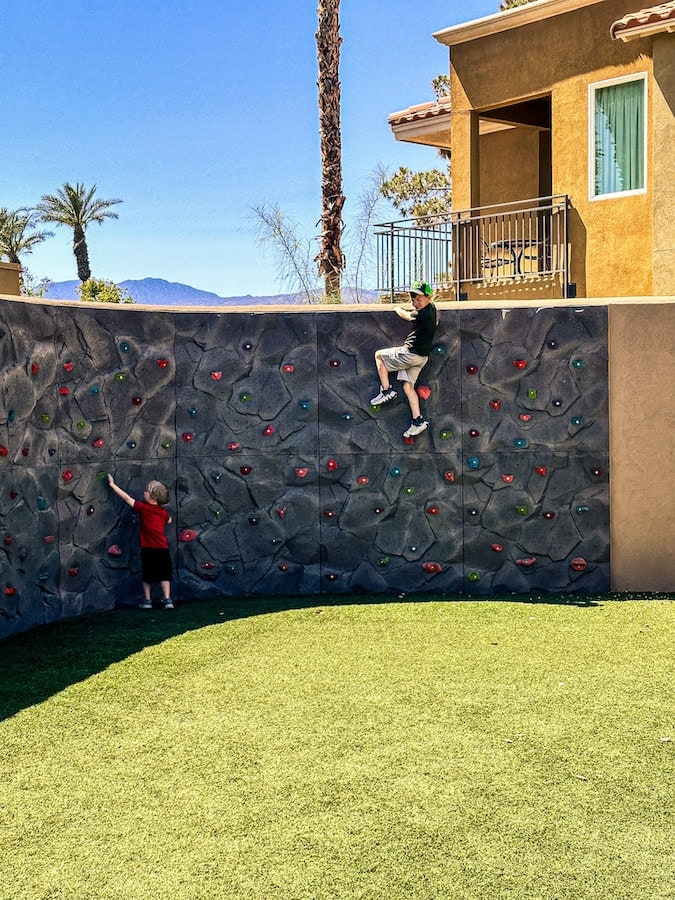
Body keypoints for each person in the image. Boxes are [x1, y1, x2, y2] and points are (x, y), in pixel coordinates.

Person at [370, 280, 438, 437]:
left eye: (418, 299)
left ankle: (386, 391)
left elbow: (406, 316)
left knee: (379, 356)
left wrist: (397, 308)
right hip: (422, 357)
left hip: (410, 354)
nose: (415, 302)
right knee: (408, 387)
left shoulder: (422, 314)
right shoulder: (432, 309)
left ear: (428, 297)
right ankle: (418, 421)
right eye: (413, 299)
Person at [107, 474, 174, 610]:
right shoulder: (162, 512)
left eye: (147, 491)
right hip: (162, 548)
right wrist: (168, 519)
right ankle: (167, 600)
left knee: (147, 576)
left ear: (153, 497)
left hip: (148, 548)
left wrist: (112, 485)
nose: (144, 493)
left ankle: (147, 600)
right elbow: (169, 520)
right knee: (164, 575)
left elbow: (126, 498)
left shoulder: (143, 508)